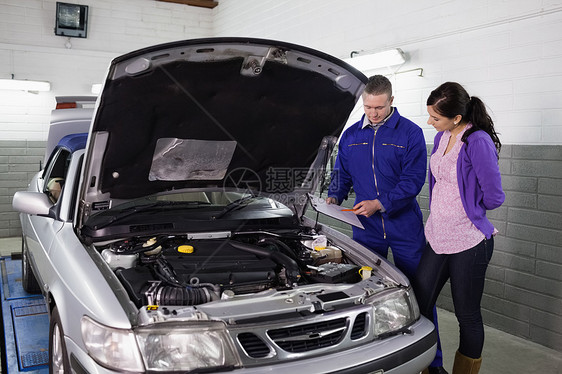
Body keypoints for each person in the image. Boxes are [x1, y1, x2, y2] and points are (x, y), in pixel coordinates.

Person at [326, 75, 446, 373]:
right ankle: (373, 358)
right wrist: (333, 196)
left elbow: (413, 181)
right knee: (367, 296)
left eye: (379, 107)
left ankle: (434, 363)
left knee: (420, 295)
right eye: (368, 107)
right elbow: (342, 175)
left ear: (391, 101)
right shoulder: (351, 136)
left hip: (404, 228)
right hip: (366, 231)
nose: (373, 113)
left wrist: (380, 203)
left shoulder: (411, 133)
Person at [414, 82, 504, 374]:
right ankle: (431, 367)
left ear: (456, 118)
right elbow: (439, 182)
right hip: (438, 238)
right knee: (419, 304)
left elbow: (494, 196)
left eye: (435, 118)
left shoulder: (476, 141)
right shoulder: (442, 137)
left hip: (469, 241)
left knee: (467, 315)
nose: (430, 122)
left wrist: (467, 206)